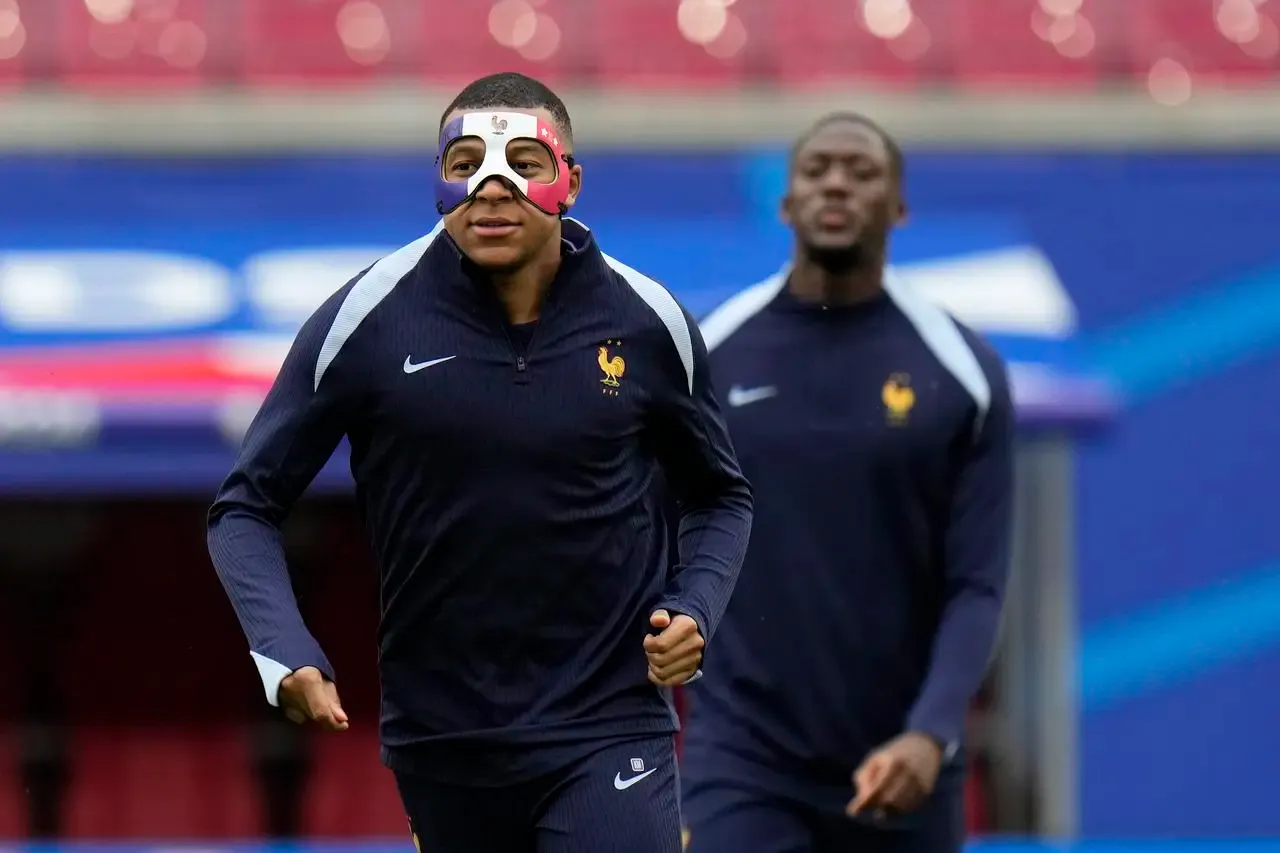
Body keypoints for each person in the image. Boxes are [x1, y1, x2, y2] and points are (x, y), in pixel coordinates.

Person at [207, 71, 752, 853]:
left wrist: (695, 604)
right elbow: (244, 507)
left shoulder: (650, 321)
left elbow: (721, 496)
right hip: (443, 740)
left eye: (523, 162)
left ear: (570, 180)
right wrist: (281, 648)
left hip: (609, 724)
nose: (491, 186)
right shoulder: (365, 318)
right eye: (466, 162)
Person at [679, 112, 1014, 852]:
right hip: (743, 758)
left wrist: (932, 731)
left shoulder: (963, 372)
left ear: (897, 206)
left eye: (861, 172)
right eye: (817, 169)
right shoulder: (711, 354)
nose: (836, 183)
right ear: (786, 201)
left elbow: (979, 583)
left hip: (904, 760)